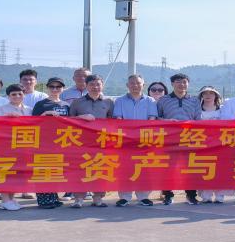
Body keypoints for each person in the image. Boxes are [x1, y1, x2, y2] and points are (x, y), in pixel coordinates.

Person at [67, 74, 114, 207]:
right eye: (92, 84)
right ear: (86, 86)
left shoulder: (109, 102)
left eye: (98, 84)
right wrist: (81, 117)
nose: (95, 87)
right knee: (80, 169)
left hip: (101, 141)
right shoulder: (77, 102)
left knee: (100, 168)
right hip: (81, 142)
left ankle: (98, 197)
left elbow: (112, 121)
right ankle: (79, 198)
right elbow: (69, 120)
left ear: (102, 85)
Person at [113, 74, 158, 207]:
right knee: (125, 169)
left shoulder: (150, 101)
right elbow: (118, 119)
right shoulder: (120, 101)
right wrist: (129, 135)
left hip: (144, 140)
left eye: (138, 83)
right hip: (125, 140)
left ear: (143, 85)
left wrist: (141, 135)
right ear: (127, 85)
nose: (135, 85)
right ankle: (124, 197)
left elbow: (152, 119)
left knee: (144, 168)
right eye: (132, 83)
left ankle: (143, 197)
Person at [157, 73, 201, 205]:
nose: (181, 84)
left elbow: (198, 120)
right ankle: (168, 194)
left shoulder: (195, 100)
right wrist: (167, 121)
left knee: (190, 168)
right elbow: (156, 118)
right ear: (172, 84)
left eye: (184, 82)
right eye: (178, 82)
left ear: (188, 84)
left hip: (189, 138)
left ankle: (191, 195)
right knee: (168, 168)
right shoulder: (163, 100)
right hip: (169, 139)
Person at [30, 78, 68, 209]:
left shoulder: (66, 105)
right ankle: (44, 200)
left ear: (63, 89)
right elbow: (32, 123)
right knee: (43, 170)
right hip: (43, 142)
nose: (55, 89)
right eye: (52, 87)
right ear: (47, 88)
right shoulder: (41, 104)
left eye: (58, 87)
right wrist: (45, 114)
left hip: (60, 142)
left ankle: (54, 197)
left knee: (55, 171)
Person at [193, 86, 231, 203]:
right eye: (205, 93)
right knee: (205, 169)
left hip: (220, 145)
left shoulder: (223, 109)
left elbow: (229, 122)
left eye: (211, 93)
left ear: (216, 96)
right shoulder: (197, 109)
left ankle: (220, 195)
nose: (208, 95)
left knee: (220, 170)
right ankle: (206, 195)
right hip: (202, 144)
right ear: (201, 96)